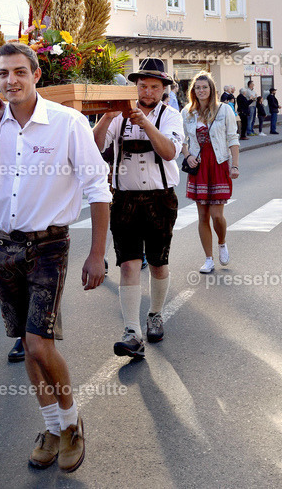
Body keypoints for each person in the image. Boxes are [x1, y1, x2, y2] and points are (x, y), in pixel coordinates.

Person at [0, 42, 111, 473]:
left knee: (38, 343)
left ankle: (71, 423)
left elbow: (98, 188)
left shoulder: (67, 124)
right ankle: (51, 426)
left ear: (36, 75)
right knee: (28, 348)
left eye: (19, 72)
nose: (11, 81)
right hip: (5, 246)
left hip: (49, 245)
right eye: (3, 74)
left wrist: (97, 254)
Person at [92, 58, 182, 359]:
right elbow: (95, 148)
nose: (147, 93)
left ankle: (155, 313)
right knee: (129, 264)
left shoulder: (171, 117)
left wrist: (145, 124)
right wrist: (106, 116)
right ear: (136, 87)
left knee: (157, 262)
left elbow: (169, 151)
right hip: (125, 199)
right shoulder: (118, 116)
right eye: (143, 86)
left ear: (163, 89)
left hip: (160, 198)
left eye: (154, 88)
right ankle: (132, 332)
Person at [180, 73, 239, 275]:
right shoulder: (187, 112)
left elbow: (233, 138)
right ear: (193, 91)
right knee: (202, 215)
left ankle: (222, 243)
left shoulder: (224, 110)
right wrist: (187, 156)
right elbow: (182, 139)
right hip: (198, 166)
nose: (201, 91)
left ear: (211, 89)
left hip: (219, 163)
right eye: (198, 88)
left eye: (204, 87)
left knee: (216, 215)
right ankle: (208, 259)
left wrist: (235, 165)